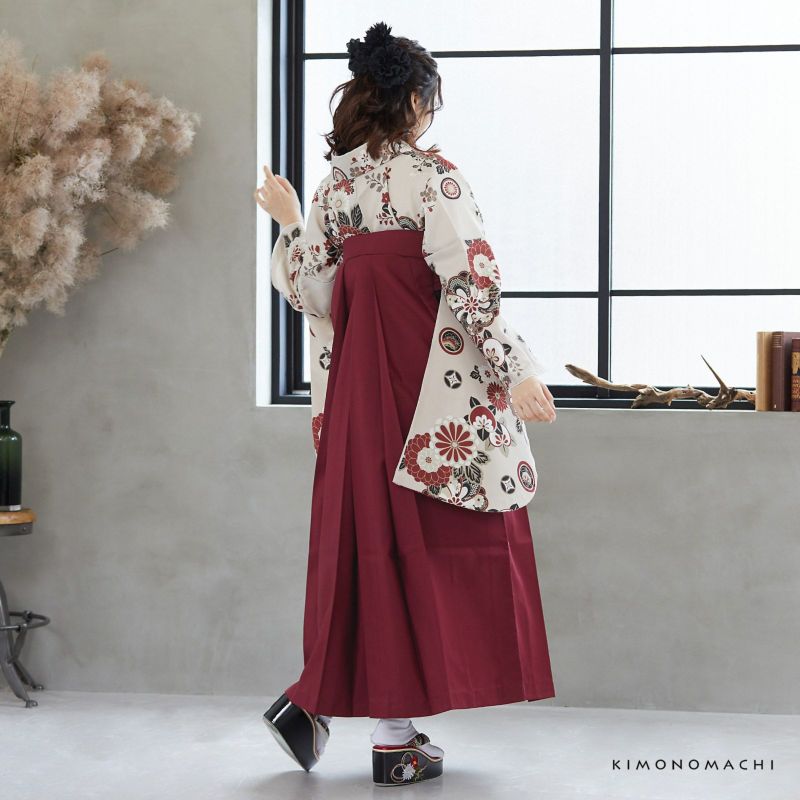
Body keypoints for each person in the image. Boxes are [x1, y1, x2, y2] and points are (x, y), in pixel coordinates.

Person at [255, 21, 557, 787]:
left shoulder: (337, 185)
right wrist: (516, 369)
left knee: (369, 548)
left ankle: (341, 713)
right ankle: (387, 737)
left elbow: (312, 290)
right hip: (427, 389)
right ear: (415, 102)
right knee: (449, 544)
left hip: (361, 395)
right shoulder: (433, 178)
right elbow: (471, 282)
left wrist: (289, 222)